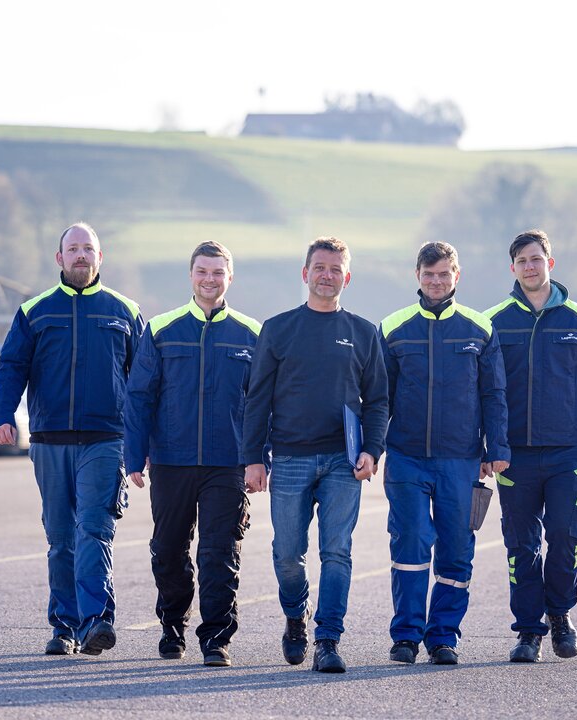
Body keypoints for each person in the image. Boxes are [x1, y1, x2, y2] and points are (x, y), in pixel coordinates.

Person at [0, 222, 144, 656]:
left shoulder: (125, 311)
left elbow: (146, 383)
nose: (81, 255)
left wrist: (143, 441)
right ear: (59, 258)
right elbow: (10, 368)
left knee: (94, 529)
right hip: (49, 440)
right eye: (73, 248)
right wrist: (3, 415)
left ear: (100, 257)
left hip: (106, 439)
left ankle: (98, 619)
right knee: (60, 537)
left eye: (88, 249)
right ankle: (64, 625)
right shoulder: (35, 312)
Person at [242, 236, 389, 674]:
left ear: (348, 277)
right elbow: (256, 399)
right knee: (287, 554)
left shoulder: (363, 333)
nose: (328, 275)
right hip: (288, 459)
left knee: (337, 552)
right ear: (305, 274)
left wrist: (372, 449)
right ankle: (295, 616)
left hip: (343, 463)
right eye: (320, 268)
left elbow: (378, 400)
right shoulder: (279, 328)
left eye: (336, 269)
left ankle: (328, 639)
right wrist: (253, 457)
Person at [483, 229, 577, 663]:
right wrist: (485, 447)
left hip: (567, 452)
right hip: (513, 455)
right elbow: (481, 390)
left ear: (550, 263)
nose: (529, 266)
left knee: (565, 534)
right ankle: (528, 631)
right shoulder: (494, 321)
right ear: (512, 268)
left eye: (536, 259)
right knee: (521, 545)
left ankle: (560, 616)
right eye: (522, 260)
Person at [123, 242, 260, 668]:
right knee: (168, 550)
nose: (210, 279)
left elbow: (263, 403)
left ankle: (217, 638)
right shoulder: (162, 329)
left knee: (220, 553)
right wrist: (135, 455)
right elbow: (139, 396)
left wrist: (260, 458)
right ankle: (172, 625)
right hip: (171, 460)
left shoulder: (251, 333)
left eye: (218, 272)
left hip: (228, 463)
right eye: (203, 271)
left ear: (230, 278)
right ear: (191, 275)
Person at [379, 241, 510, 665]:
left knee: (456, 549)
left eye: (444, 274)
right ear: (417, 276)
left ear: (457, 276)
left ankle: (443, 636)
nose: (436, 281)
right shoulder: (394, 327)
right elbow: (379, 398)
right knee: (411, 542)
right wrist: (371, 447)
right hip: (406, 458)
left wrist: (496, 447)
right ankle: (405, 636)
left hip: (461, 459)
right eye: (429, 274)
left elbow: (494, 394)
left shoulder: (479, 329)